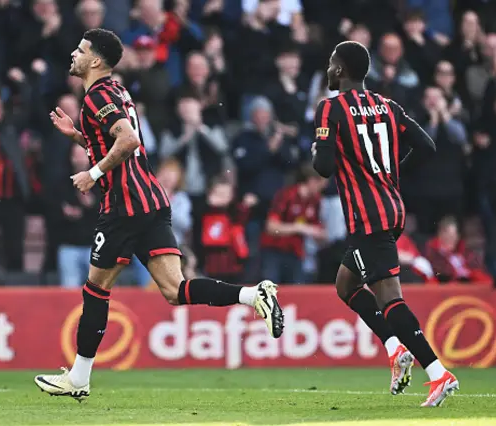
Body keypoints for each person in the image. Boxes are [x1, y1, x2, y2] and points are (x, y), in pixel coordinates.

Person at [34, 29, 284, 400]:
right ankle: (253, 295)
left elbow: (129, 141)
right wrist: (76, 136)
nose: (74, 53)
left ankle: (79, 378)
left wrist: (93, 174)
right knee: (175, 289)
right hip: (151, 199)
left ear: (96, 61)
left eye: (81, 49)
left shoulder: (97, 95)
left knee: (95, 290)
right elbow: (118, 142)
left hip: (124, 207)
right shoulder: (116, 91)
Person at [310, 41, 458, 408]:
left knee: (389, 296)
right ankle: (395, 349)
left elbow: (324, 168)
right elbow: (426, 146)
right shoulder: (388, 105)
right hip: (391, 209)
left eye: (331, 65)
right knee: (346, 284)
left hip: (368, 216)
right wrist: (388, 172)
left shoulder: (329, 109)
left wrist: (317, 151)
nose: (328, 71)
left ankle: (438, 372)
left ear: (340, 70)